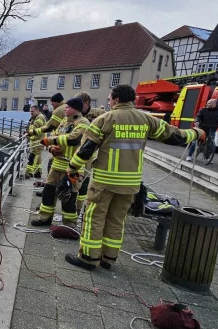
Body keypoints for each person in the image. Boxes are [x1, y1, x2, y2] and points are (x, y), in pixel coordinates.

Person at [63, 85, 205, 270]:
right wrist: (197, 133)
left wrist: (72, 167)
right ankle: (108, 258)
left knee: (94, 217)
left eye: (109, 98)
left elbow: (87, 149)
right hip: (130, 183)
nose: (108, 101)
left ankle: (89, 258)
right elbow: (174, 136)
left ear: (115, 100)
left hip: (104, 181)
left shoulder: (106, 119)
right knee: (117, 219)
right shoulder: (146, 119)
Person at [31, 97, 90, 228]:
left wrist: (51, 142)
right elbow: (54, 135)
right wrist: (51, 148)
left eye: (68, 107)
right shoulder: (64, 122)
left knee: (68, 196)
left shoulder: (83, 122)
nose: (65, 109)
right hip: (57, 164)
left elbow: (74, 139)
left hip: (72, 167)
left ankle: (69, 224)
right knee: (48, 192)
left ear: (76, 109)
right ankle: (44, 217)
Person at [74, 91, 106, 214]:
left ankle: (78, 207)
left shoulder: (100, 114)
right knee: (74, 179)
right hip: (75, 150)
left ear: (86, 103)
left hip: (89, 153)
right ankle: (71, 204)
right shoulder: (75, 114)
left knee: (84, 180)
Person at [25, 105, 47, 178]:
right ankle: (38, 172)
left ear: (37, 110)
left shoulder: (39, 118)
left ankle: (28, 173)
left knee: (33, 157)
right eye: (30, 111)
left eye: (32, 111)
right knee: (38, 158)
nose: (31, 112)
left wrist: (27, 135)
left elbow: (35, 129)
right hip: (36, 141)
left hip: (37, 141)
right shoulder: (35, 117)